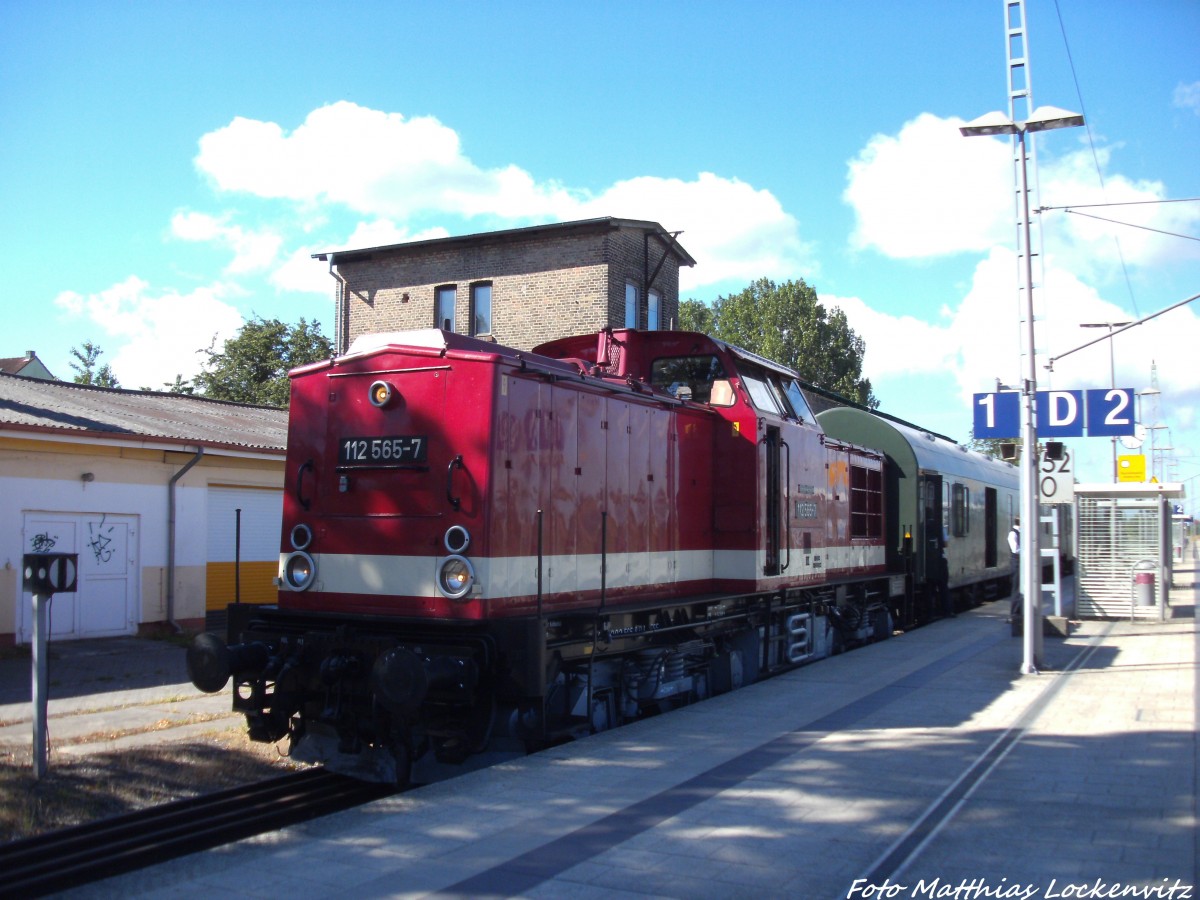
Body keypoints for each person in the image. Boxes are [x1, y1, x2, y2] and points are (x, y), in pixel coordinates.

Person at [1007, 518, 1021, 620]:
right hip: (1016, 563)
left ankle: (1019, 611)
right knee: (1016, 589)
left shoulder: (1020, 533)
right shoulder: (1013, 534)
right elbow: (1015, 549)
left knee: (1021, 589)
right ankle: (1014, 614)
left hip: (1021, 563)